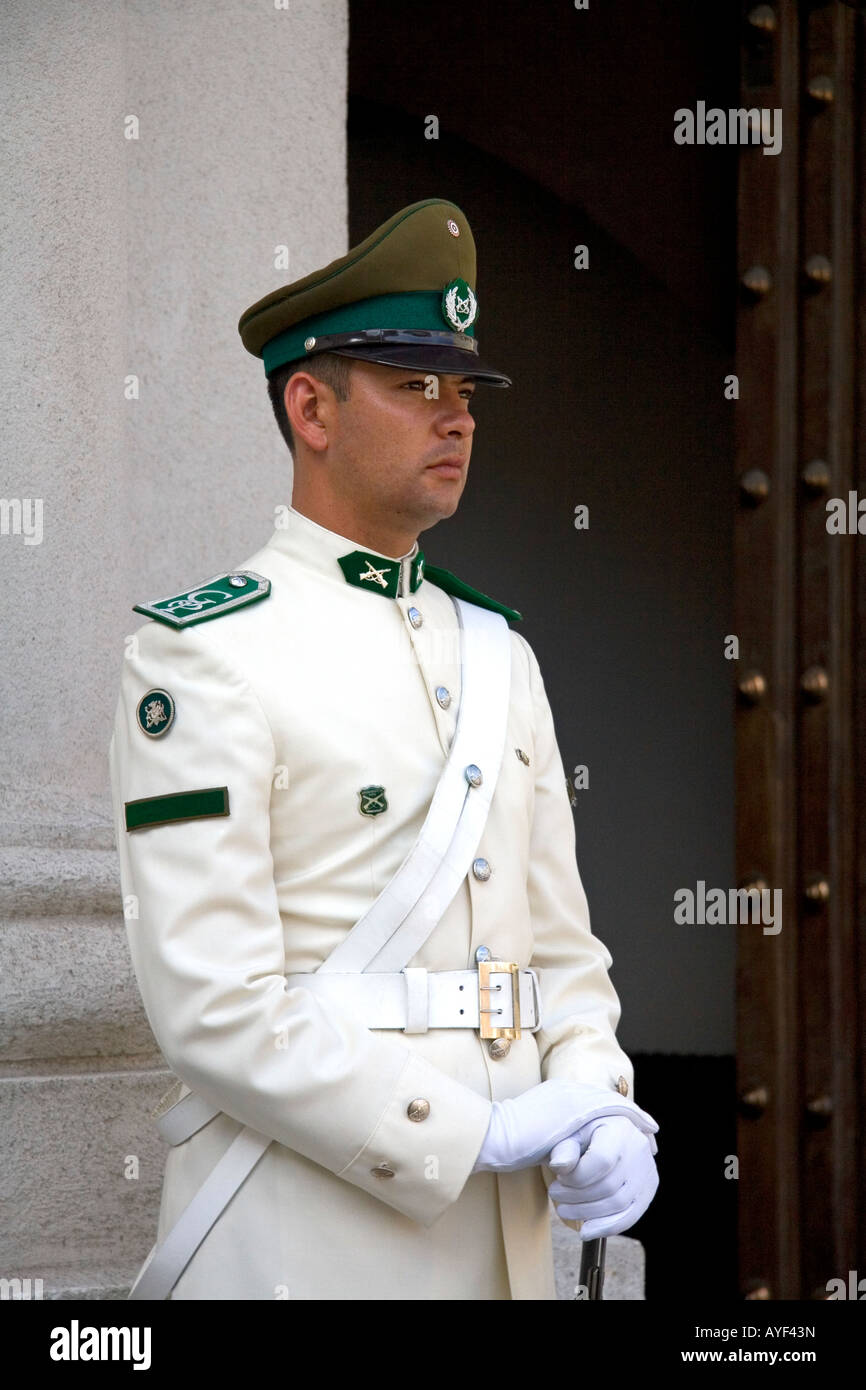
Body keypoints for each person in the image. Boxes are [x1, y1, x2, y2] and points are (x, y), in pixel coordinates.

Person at [108, 197, 659, 1301]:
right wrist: (474, 1129)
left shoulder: (498, 655)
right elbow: (214, 1009)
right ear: (310, 407)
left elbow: (562, 951)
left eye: (463, 393)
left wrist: (599, 1101)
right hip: (307, 1237)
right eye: (416, 387)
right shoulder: (201, 655)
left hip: (503, 1249)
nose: (455, 419)